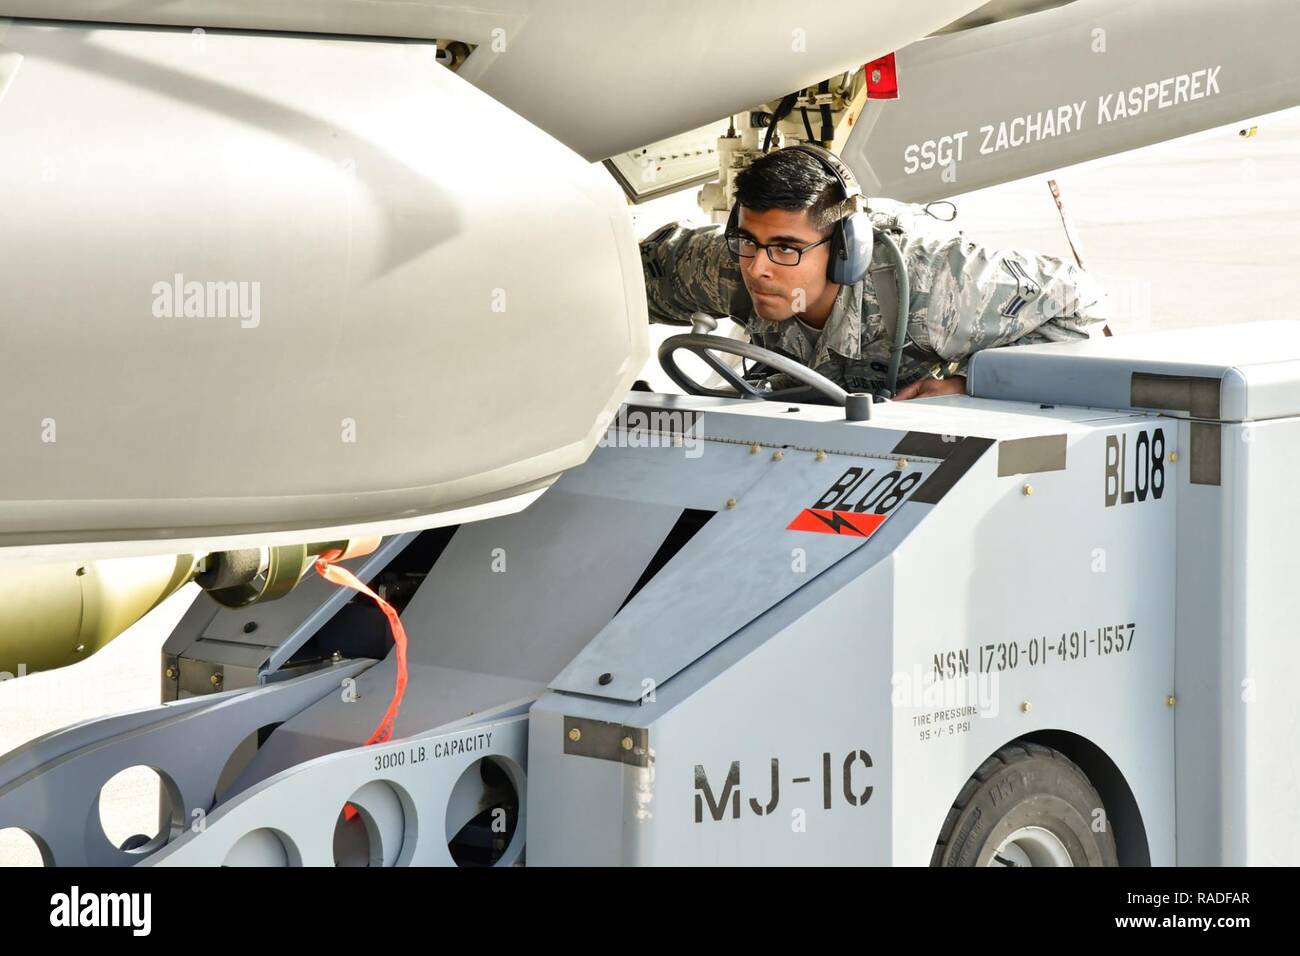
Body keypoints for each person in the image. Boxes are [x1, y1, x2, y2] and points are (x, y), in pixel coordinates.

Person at [640, 145, 1106, 399]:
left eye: (787, 248)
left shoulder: (936, 285)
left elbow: (1076, 301)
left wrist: (970, 386)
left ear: (847, 248)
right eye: (748, 242)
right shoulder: (726, 262)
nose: (757, 269)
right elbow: (620, 279)